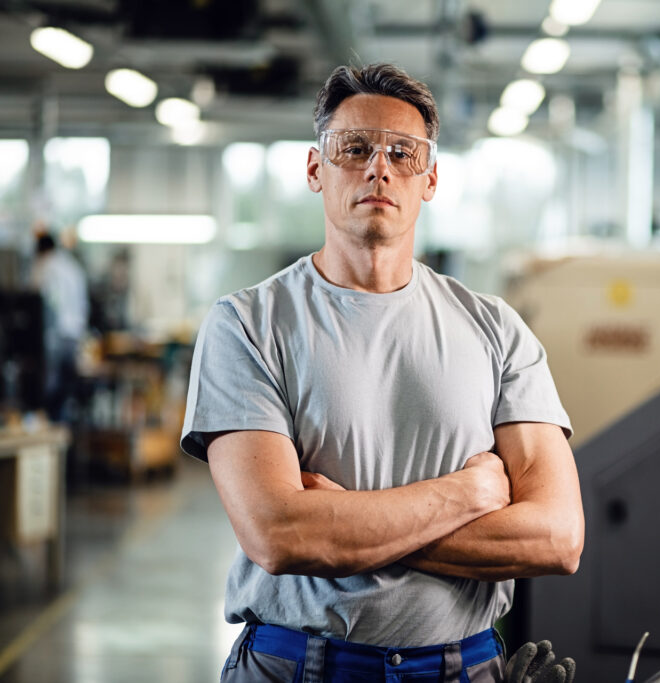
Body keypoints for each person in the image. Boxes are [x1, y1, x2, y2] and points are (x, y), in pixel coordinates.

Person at [180, 63, 584, 682]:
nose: (379, 167)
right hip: (298, 667)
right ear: (316, 170)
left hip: (463, 668)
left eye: (403, 152)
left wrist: (345, 530)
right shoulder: (246, 325)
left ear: (431, 178)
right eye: (354, 148)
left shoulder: (497, 330)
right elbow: (278, 535)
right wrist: (468, 496)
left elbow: (556, 539)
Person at [31, 231, 89, 422]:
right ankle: (64, 431)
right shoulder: (72, 267)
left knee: (50, 392)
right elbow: (83, 304)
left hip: (55, 337)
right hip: (74, 337)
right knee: (66, 392)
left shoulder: (46, 266)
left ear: (41, 251)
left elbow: (40, 301)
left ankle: (50, 430)